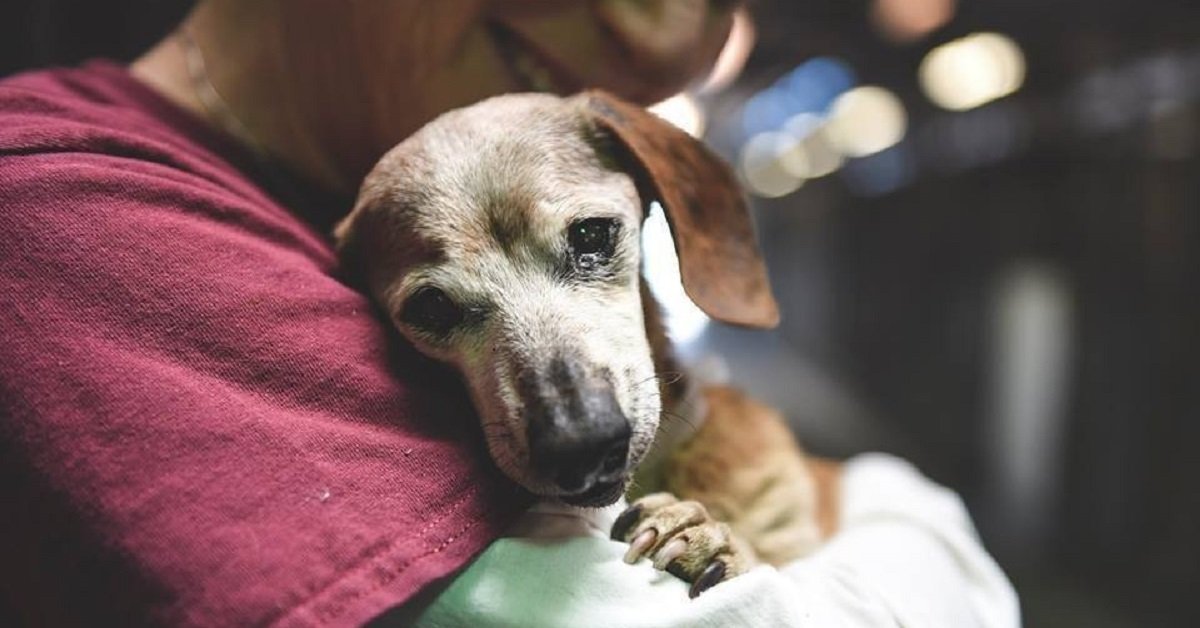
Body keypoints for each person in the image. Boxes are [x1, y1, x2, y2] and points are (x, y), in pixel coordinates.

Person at [0, 0, 1018, 625]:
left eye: (589, 242)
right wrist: (918, 520)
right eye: (440, 311)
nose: (662, 43)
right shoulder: (61, 211)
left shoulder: (329, 208)